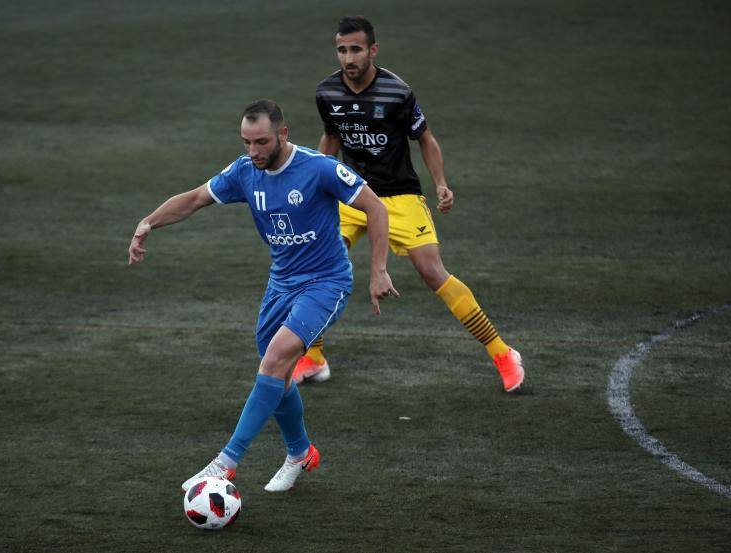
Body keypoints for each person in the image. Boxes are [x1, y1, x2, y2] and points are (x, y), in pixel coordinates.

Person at [128, 100, 397, 492]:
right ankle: (300, 452)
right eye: (246, 142)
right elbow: (195, 198)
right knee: (278, 372)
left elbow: (374, 207)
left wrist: (378, 270)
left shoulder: (317, 167)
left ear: (283, 135)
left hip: (325, 283)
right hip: (280, 284)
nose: (253, 151)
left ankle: (225, 463)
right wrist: (148, 222)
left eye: (262, 142)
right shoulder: (244, 172)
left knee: (275, 359)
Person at [293, 16, 525, 392]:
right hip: (352, 194)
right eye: (341, 50)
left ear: (373, 50)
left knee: (432, 271)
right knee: (315, 266)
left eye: (355, 49)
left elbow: (426, 139)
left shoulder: (397, 91)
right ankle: (314, 358)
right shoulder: (327, 93)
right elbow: (330, 140)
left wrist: (441, 184)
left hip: (399, 194)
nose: (348, 58)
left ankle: (502, 352)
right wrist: (318, 185)